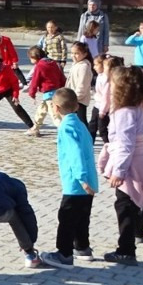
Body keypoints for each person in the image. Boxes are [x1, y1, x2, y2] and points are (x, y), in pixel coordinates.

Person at [97, 65, 143, 265]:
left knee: (124, 205)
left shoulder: (125, 111)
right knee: (134, 203)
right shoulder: (136, 106)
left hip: (132, 162)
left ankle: (126, 250)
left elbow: (126, 144)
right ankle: (134, 237)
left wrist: (119, 171)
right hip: (140, 158)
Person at [38, 88, 99, 269]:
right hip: (90, 182)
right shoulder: (80, 124)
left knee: (66, 217)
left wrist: (81, 178)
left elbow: (76, 154)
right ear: (77, 105)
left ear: (55, 108)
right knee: (82, 217)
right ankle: (82, 247)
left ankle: (64, 254)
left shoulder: (65, 127)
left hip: (76, 183)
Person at [25, 46, 65, 137]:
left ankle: (65, 132)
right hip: (56, 92)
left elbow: (35, 80)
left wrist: (32, 93)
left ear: (34, 57)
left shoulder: (39, 66)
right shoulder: (53, 63)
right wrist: (63, 86)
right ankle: (35, 128)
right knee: (41, 110)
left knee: (55, 116)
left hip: (49, 94)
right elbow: (61, 75)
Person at [68, 42, 94, 121]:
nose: (73, 56)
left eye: (76, 53)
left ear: (85, 54)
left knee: (81, 122)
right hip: (73, 98)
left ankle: (85, 133)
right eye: (72, 53)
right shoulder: (76, 64)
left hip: (79, 100)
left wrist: (76, 98)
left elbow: (82, 85)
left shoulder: (84, 67)